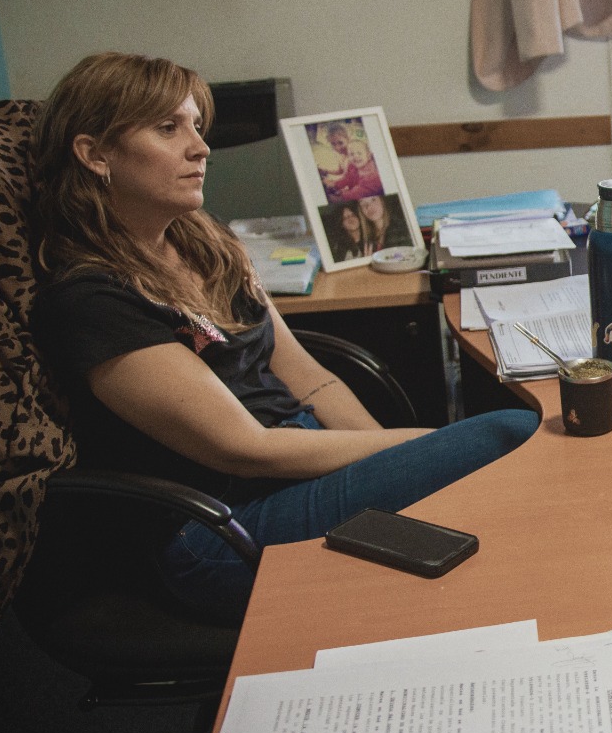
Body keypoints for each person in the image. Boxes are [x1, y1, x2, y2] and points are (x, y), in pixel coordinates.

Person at [30, 52, 538, 620]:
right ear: (95, 154)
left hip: (295, 464)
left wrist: (401, 470)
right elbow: (245, 449)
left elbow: (310, 379)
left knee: (494, 501)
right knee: (511, 432)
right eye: (168, 128)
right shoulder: (91, 300)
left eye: (196, 125)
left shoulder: (206, 243)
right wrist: (415, 449)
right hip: (221, 527)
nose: (200, 147)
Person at [315, 120, 384, 203]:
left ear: (348, 139)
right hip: (352, 188)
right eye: (333, 144)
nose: (337, 148)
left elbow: (358, 188)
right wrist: (327, 173)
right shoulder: (347, 160)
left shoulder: (364, 168)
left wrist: (341, 192)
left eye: (340, 143)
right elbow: (344, 174)